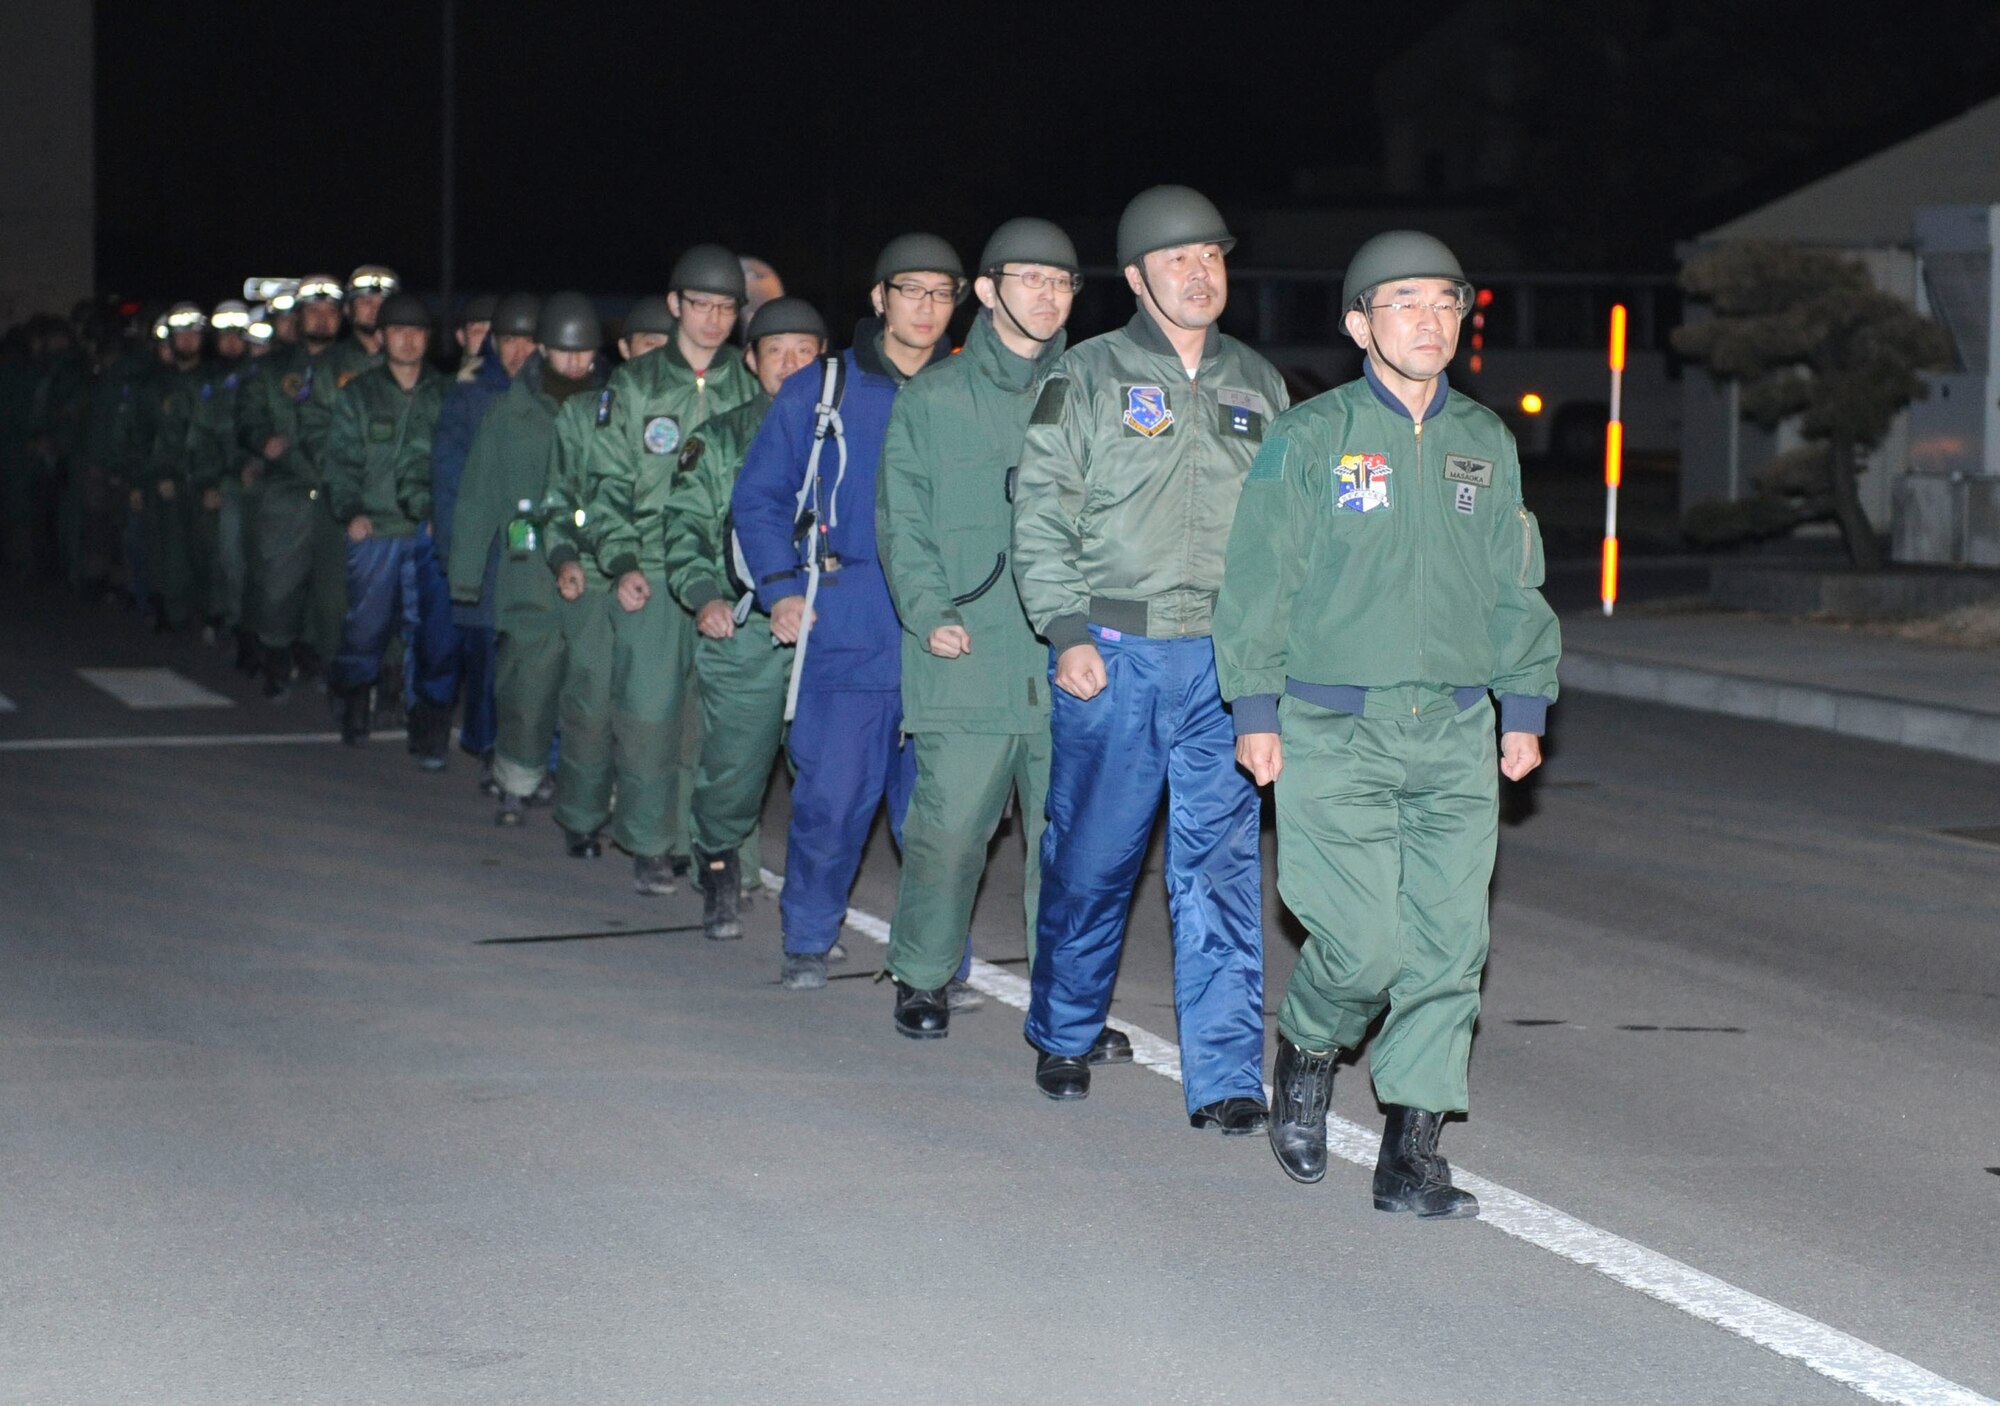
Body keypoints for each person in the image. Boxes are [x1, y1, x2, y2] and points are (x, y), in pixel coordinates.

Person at [1215, 230, 1560, 1216]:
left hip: (1453, 727)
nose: (1429, 322)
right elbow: (1256, 579)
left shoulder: (1483, 441)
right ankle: (1310, 1044)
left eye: (1445, 303)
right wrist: (1253, 707)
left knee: (1450, 946)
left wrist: (1521, 705)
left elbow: (1514, 584)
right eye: (1404, 303)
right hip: (1333, 727)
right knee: (1362, 942)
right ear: (1358, 321)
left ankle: (1411, 1151)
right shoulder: (1311, 434)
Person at [1011, 185, 1288, 1132]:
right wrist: (1065, 627)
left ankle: (1226, 1078)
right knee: (1094, 858)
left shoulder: (1259, 383)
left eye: (1211, 255)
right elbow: (1042, 511)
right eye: (1178, 260)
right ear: (1136, 278)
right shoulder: (1083, 377)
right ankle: (1064, 1027)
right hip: (1116, 652)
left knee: (1219, 871)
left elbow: (1286, 536)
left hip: (1224, 662)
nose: (1200, 272)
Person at [732, 232, 959, 990]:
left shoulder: (969, 390)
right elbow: (759, 497)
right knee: (831, 801)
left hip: (947, 635)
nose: (926, 307)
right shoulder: (822, 390)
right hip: (848, 620)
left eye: (941, 292)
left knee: (941, 819)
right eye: (910, 290)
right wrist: (780, 588)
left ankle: (935, 965)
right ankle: (807, 936)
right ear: (879, 298)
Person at [875, 217, 1083, 1037]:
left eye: (1062, 282)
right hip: (967, 648)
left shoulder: (1091, 389)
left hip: (1072, 655)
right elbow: (903, 520)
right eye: (1029, 279)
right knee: (950, 831)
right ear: (990, 290)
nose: (1047, 295)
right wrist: (930, 615)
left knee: (1068, 847)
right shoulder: (935, 395)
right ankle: (923, 975)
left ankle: (1066, 1001)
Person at [583, 245, 759, 895]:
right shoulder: (635, 385)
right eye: (701, 305)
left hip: (730, 576)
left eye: (726, 307)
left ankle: (702, 840)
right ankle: (650, 840)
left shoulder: (749, 382)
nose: (714, 319)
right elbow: (603, 485)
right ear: (675, 305)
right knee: (650, 716)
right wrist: (622, 561)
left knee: (715, 722)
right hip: (652, 572)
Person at [661, 295, 828, 939]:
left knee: (826, 777)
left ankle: (813, 909)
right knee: (732, 771)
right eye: (774, 352)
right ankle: (721, 865)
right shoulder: (722, 437)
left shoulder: (843, 435)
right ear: (751, 359)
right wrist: (704, 596)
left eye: (804, 353)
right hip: (747, 628)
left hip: (827, 637)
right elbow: (685, 530)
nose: (789, 365)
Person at [450, 292, 607, 825]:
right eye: (564, 351)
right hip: (527, 566)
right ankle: (517, 779)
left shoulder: (609, 408)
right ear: (545, 350)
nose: (575, 362)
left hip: (595, 567)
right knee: (526, 684)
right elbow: (477, 495)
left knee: (590, 688)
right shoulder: (510, 412)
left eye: (585, 352)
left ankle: (585, 791)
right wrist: (466, 574)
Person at [535, 296, 676, 858]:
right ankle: (581, 814)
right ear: (624, 350)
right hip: (594, 578)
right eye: (646, 346)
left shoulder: (686, 413)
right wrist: (564, 556)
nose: (656, 357)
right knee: (589, 707)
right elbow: (557, 498)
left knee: (650, 716)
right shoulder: (583, 413)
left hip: (660, 578)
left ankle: (649, 833)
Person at [323, 292, 453, 762]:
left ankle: (424, 721)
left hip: (426, 531)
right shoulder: (358, 393)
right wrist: (350, 510)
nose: (408, 340)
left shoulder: (445, 391)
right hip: (375, 529)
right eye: (398, 331)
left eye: (417, 332)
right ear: (381, 337)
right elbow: (339, 461)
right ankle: (354, 696)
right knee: (367, 624)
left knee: (428, 633)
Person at [432, 292, 541, 788]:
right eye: (510, 340)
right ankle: (487, 744)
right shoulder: (471, 394)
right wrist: (458, 554)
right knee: (487, 652)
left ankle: (536, 755)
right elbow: (451, 477)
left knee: (539, 653)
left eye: (530, 341)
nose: (520, 352)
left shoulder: (557, 391)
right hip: (489, 545)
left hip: (539, 545)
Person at [238, 273, 351, 699]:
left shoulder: (355, 365)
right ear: (299, 317)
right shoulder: (269, 370)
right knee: (279, 585)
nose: (321, 319)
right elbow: (247, 419)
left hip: (337, 493)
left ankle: (323, 659)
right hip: (287, 489)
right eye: (313, 311)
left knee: (333, 593)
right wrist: (262, 442)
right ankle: (275, 657)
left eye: (329, 311)